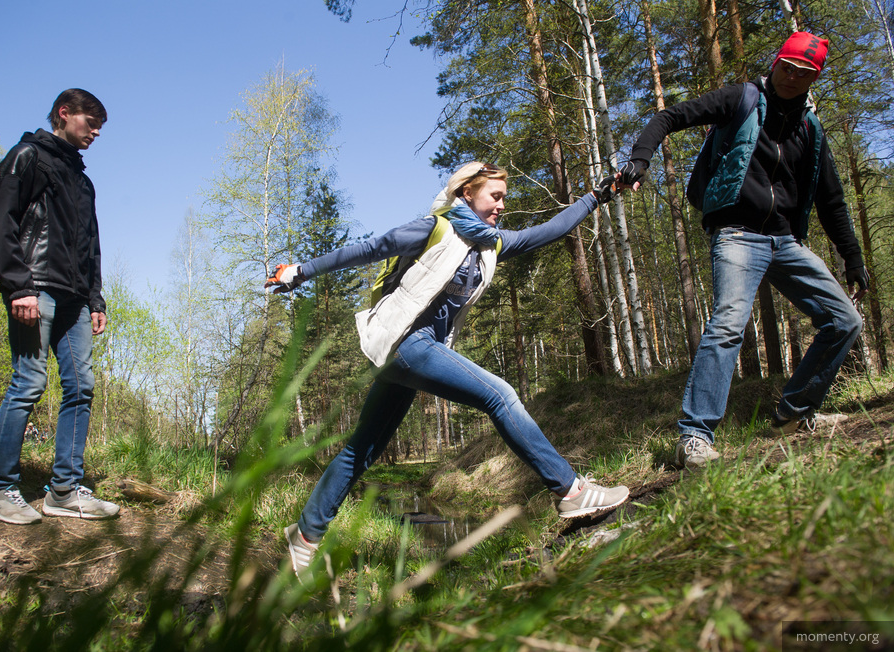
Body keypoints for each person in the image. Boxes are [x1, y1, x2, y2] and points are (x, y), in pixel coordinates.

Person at [266, 162, 630, 580]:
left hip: (413, 354)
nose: (502, 205)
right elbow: (371, 247)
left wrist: (597, 196)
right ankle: (571, 491)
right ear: (466, 194)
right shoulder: (434, 229)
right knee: (499, 394)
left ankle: (305, 536)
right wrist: (301, 271)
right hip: (406, 341)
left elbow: (544, 232)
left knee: (361, 449)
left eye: (504, 198)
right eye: (495, 196)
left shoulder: (491, 245)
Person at [617, 32, 867, 469]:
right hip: (736, 233)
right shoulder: (742, 98)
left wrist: (854, 259)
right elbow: (669, 116)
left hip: (786, 241)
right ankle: (694, 437)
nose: (791, 77)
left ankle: (794, 413)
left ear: (814, 80)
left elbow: (832, 201)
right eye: (787, 66)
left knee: (845, 320)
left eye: (804, 73)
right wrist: (640, 158)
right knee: (729, 323)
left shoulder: (811, 129)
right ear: (776, 63)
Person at [0, 89, 119, 525]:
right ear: (64, 113)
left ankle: (64, 491)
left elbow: (90, 246)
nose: (96, 132)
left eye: (100, 126)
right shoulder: (28, 157)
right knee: (28, 383)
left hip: (76, 299)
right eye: (90, 122)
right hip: (34, 289)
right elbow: (1, 222)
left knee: (81, 387)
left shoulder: (82, 180)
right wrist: (19, 286)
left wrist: (96, 298)